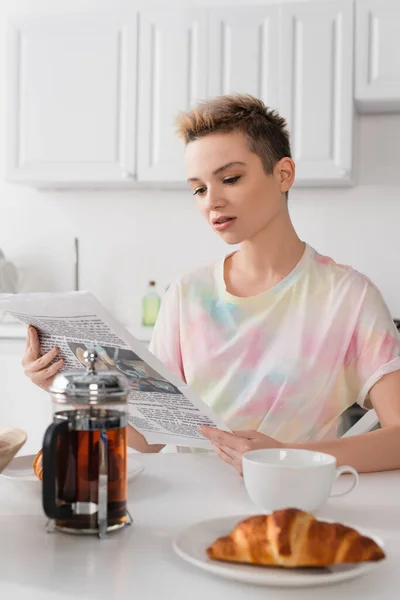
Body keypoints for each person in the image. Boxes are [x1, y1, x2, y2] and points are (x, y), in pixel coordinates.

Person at [22, 94, 400, 475]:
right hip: (194, 505)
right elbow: (150, 438)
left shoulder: (349, 297)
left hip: (296, 506)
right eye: (199, 189)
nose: (212, 201)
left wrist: (288, 457)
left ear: (283, 174)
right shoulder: (187, 294)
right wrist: (64, 382)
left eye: (231, 179)